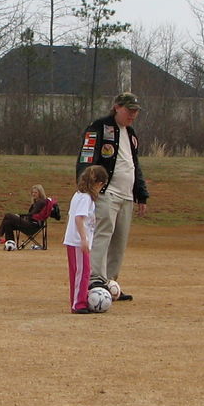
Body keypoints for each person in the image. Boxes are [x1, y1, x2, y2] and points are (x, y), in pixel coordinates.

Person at [75, 92, 148, 299]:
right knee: (103, 235)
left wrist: (141, 194)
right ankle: (95, 280)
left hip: (126, 196)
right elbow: (86, 157)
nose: (132, 115)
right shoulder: (98, 127)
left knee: (119, 240)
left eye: (135, 111)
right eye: (129, 110)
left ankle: (110, 282)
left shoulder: (131, 134)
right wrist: (87, 188)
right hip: (106, 193)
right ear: (117, 107)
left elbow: (135, 166)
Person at [65, 166, 108, 313]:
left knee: (79, 272)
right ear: (98, 183)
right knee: (83, 272)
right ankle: (79, 303)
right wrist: (84, 239)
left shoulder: (78, 195)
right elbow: (79, 219)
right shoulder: (85, 198)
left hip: (75, 241)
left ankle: (77, 300)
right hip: (78, 241)